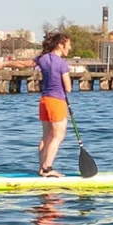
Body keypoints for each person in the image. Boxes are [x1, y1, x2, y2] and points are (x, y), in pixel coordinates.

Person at [35, 31, 75, 177]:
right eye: (68, 45)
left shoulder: (42, 58)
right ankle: (48, 169)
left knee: (46, 136)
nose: (69, 48)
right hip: (57, 101)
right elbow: (69, 88)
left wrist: (1, 64)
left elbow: (21, 63)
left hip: (44, 101)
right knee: (58, 136)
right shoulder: (62, 64)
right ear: (60, 45)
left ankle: (41, 168)